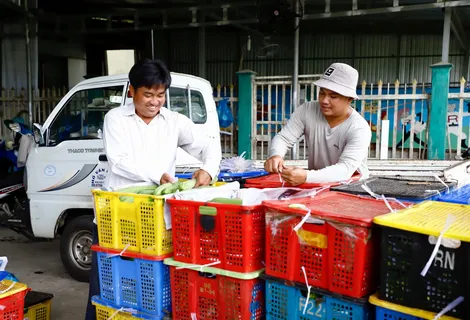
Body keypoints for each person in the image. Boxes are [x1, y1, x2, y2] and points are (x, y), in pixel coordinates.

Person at [84, 58, 221, 319]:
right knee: (106, 287)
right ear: (131, 91)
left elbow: (209, 145)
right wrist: (158, 176)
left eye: (160, 95)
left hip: (156, 220)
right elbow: (119, 161)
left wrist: (209, 169)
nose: (155, 102)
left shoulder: (174, 121)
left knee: (152, 288)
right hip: (117, 215)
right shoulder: (115, 119)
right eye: (148, 94)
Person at [264, 63, 371, 186]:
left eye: (333, 96)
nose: (324, 100)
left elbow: (345, 170)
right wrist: (276, 155)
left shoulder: (359, 128)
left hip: (352, 188)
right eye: (322, 93)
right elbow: (284, 138)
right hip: (316, 184)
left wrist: (307, 176)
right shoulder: (307, 110)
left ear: (349, 99)